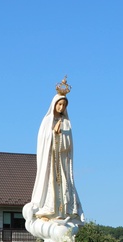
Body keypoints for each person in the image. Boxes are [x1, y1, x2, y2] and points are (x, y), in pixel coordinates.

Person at [26, 79, 83, 222]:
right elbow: (43, 141)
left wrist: (61, 134)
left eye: (64, 105)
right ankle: (48, 209)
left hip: (62, 160)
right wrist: (53, 133)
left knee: (63, 185)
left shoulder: (66, 122)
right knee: (49, 184)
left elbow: (68, 144)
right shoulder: (47, 121)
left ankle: (63, 211)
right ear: (54, 104)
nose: (61, 107)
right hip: (50, 160)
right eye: (59, 104)